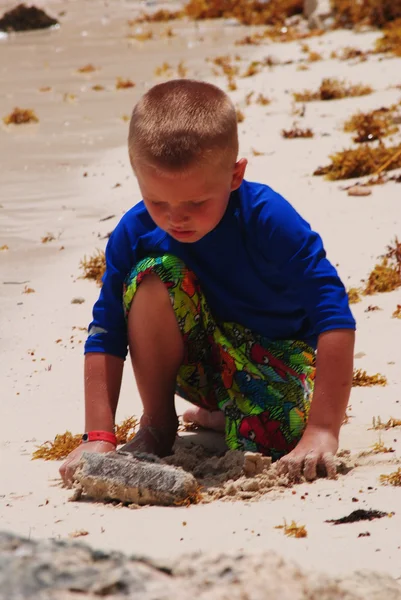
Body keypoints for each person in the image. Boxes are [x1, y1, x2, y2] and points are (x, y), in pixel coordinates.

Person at [60, 79, 355, 486]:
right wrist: (99, 436)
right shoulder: (135, 232)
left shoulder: (269, 219)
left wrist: (323, 429)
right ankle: (159, 424)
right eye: (157, 201)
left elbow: (334, 315)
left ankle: (224, 415)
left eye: (196, 203)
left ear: (235, 175)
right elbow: (106, 333)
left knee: (275, 438)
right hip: (195, 363)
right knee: (152, 275)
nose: (175, 218)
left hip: (274, 358)